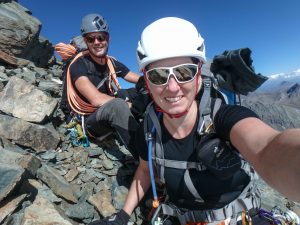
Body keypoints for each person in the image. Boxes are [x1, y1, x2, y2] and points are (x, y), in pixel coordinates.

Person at [88, 17, 300, 225]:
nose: (172, 87)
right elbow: (144, 171)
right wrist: (123, 216)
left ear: (199, 73)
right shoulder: (150, 127)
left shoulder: (222, 117)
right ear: (147, 81)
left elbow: (267, 148)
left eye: (184, 72)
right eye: (158, 76)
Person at [61, 13, 141, 158]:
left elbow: (136, 78)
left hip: (103, 111)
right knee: (118, 105)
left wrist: (155, 81)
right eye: (91, 39)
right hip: (87, 120)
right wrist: (132, 106)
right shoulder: (78, 65)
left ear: (107, 38)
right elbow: (96, 99)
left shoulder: (112, 62)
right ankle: (148, 161)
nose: (97, 42)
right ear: (86, 41)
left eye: (101, 37)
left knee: (141, 91)